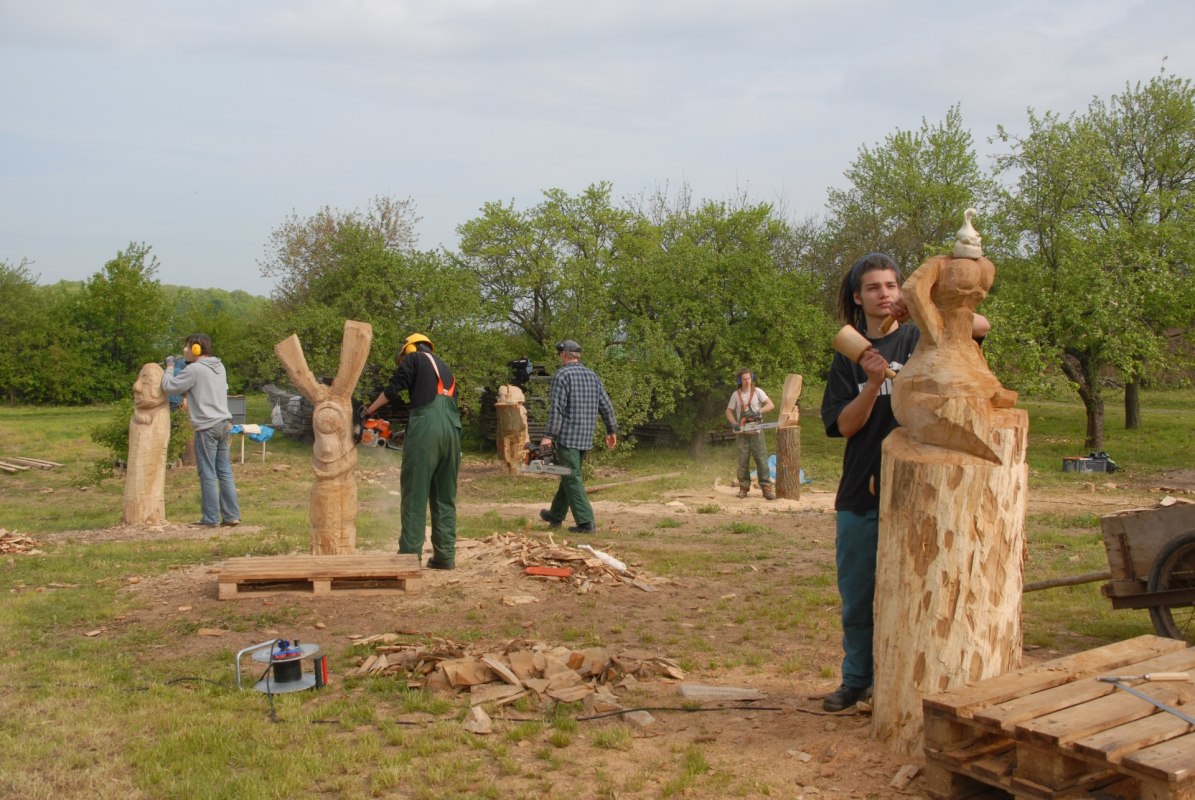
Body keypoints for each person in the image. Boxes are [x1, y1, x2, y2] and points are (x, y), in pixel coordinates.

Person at [819, 252, 989, 712]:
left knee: (922, 594)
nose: (885, 294)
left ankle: (912, 687)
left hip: (921, 492)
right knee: (858, 598)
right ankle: (857, 680)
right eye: (874, 288)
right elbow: (844, 427)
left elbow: (980, 326)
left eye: (892, 286)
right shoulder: (850, 358)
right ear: (859, 297)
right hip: (861, 493)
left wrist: (924, 306)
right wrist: (873, 383)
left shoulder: (921, 336)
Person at [363, 333, 462, 570]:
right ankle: (444, 556)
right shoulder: (445, 368)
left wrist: (369, 411)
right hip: (452, 431)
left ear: (409, 349)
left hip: (426, 429)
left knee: (415, 495)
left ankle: (408, 556)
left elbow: (394, 388)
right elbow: (437, 407)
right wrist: (408, 432)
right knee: (444, 497)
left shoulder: (414, 358)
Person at [538, 340, 617, 533]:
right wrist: (611, 430)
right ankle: (555, 515)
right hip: (585, 437)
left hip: (567, 437)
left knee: (572, 477)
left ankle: (586, 522)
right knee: (569, 474)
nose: (559, 356)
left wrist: (548, 436)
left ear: (565, 354)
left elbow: (557, 409)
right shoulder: (592, 375)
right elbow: (606, 405)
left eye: (559, 353)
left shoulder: (562, 375)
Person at [162, 334, 241, 528]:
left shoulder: (195, 369)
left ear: (196, 349)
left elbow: (169, 387)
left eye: (187, 347)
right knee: (224, 472)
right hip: (224, 423)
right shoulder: (219, 366)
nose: (185, 351)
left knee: (207, 473)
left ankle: (211, 518)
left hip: (207, 427)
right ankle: (231, 516)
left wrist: (170, 368)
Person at [726, 368, 776, 499]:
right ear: (739, 380)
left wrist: (759, 411)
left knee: (762, 461)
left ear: (751, 378)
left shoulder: (758, 392)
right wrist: (734, 423)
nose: (747, 381)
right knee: (743, 462)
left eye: (749, 378)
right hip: (742, 435)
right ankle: (743, 488)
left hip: (757, 433)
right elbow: (729, 411)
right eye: (744, 379)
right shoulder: (735, 395)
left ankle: (766, 488)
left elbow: (771, 405)